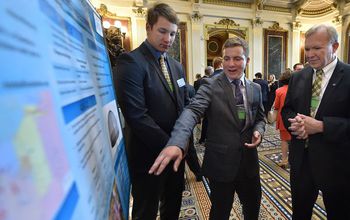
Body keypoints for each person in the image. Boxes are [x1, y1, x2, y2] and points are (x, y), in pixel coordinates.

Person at [150, 36, 266, 220]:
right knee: (219, 213)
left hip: (249, 165)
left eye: (237, 58)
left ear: (247, 61)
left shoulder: (255, 89)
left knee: (252, 210)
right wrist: (177, 142)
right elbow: (191, 111)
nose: (231, 64)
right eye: (226, 58)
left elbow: (260, 117)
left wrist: (259, 130)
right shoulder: (210, 86)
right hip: (221, 166)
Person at [114, 3, 189, 219]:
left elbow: (182, 104)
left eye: (173, 33)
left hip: (176, 153)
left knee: (172, 205)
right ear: (148, 28)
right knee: (145, 211)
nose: (168, 39)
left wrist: (181, 144)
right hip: (148, 156)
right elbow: (137, 115)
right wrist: (171, 145)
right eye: (162, 31)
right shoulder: (131, 62)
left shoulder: (176, 65)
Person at [281, 24, 350, 219]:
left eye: (317, 48)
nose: (310, 54)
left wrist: (322, 126)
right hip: (301, 162)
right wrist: (294, 124)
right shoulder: (298, 77)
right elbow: (287, 110)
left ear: (334, 47)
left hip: (337, 164)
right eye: (308, 48)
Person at [274, 69, 292, 168]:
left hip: (283, 118)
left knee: (284, 140)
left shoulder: (279, 91)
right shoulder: (296, 89)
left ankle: (285, 160)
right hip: (295, 117)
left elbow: (276, 106)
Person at [197, 66, 214, 144]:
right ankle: (206, 138)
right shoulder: (209, 80)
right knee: (207, 121)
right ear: (210, 72)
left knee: (205, 121)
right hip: (207, 103)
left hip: (199, 102)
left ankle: (203, 138)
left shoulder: (198, 81)